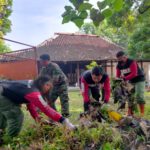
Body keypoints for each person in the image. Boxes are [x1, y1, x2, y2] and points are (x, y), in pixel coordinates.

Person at [0, 76, 75, 145]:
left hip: (2, 89)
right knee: (16, 117)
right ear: (46, 85)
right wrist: (64, 121)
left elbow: (29, 104)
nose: (49, 90)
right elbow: (46, 109)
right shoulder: (34, 92)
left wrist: (37, 118)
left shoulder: (31, 84)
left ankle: (1, 136)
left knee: (3, 117)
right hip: (2, 92)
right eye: (49, 87)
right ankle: (8, 142)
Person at [116, 51, 145, 116]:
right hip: (130, 81)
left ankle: (142, 113)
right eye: (118, 59)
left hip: (139, 79)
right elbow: (118, 75)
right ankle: (130, 113)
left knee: (139, 95)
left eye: (121, 59)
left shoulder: (131, 61)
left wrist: (124, 78)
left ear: (124, 56)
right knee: (130, 96)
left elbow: (134, 74)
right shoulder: (119, 65)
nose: (120, 61)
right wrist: (118, 81)